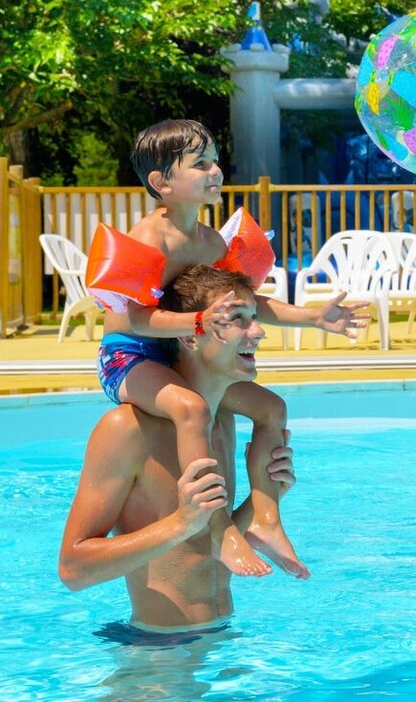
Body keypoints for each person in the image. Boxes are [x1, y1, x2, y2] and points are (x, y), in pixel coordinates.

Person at [97, 119, 367, 579]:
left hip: (182, 352)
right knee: (191, 408)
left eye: (216, 161)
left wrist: (313, 317)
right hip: (131, 356)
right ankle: (219, 529)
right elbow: (137, 318)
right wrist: (197, 322)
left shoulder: (210, 242)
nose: (215, 171)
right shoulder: (150, 239)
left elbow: (247, 303)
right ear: (161, 182)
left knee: (271, 409)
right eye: (200, 164)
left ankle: (266, 520)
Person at [60, 265, 299, 632]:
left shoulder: (221, 421)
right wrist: (179, 524)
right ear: (190, 336)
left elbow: (205, 548)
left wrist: (264, 499)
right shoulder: (128, 429)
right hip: (158, 652)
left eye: (253, 317)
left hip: (223, 636)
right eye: (237, 319)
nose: (258, 331)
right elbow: (73, 570)